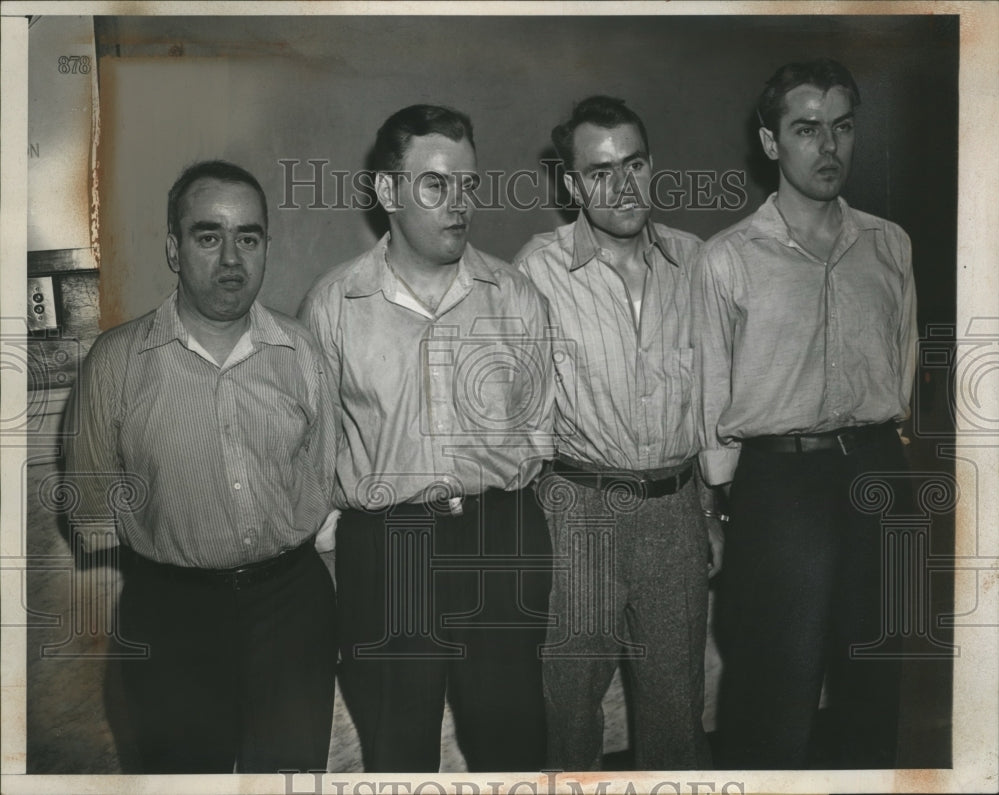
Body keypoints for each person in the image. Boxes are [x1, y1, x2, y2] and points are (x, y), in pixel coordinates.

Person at [299, 104, 554, 773]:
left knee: (513, 742)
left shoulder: (514, 294)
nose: (459, 203)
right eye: (436, 185)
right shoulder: (334, 305)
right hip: (389, 549)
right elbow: (314, 447)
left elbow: (538, 425)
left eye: (468, 185)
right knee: (397, 747)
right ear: (388, 191)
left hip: (500, 537)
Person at [64, 160, 338, 774]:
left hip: (292, 610)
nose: (231, 259)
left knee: (291, 781)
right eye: (208, 236)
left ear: (267, 244)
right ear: (173, 248)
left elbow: (320, 482)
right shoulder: (117, 363)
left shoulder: (304, 354)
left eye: (249, 236)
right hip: (172, 617)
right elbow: (89, 510)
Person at [693, 59, 917, 768]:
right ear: (771, 143)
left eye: (843, 128)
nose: (829, 147)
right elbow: (708, 392)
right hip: (778, 489)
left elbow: (904, 362)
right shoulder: (727, 259)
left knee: (878, 682)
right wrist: (722, 506)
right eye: (807, 129)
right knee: (772, 696)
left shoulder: (889, 244)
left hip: (879, 475)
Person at [513, 95, 722, 771]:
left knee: (677, 718)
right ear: (572, 185)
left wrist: (712, 504)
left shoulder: (695, 263)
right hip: (579, 514)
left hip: (676, 510)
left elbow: (716, 391)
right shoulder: (536, 270)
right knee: (569, 720)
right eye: (601, 171)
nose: (623, 185)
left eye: (634, 163)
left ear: (652, 166)